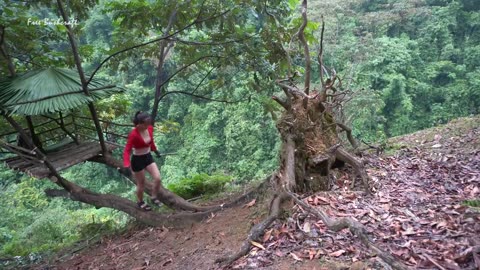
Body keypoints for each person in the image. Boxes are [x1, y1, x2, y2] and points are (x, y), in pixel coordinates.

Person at [122, 111, 162, 211]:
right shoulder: (133, 134)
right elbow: (127, 150)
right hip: (137, 159)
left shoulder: (149, 128)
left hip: (148, 157)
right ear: (140, 124)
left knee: (157, 178)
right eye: (146, 123)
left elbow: (151, 141)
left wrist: (155, 150)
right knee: (141, 183)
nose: (148, 125)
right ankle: (140, 202)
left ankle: (153, 197)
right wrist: (127, 165)